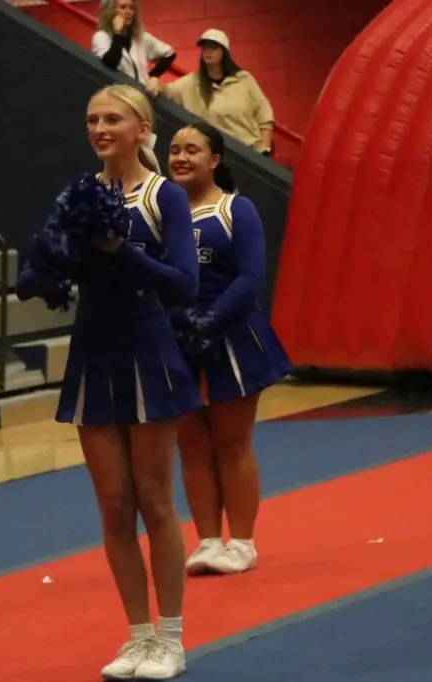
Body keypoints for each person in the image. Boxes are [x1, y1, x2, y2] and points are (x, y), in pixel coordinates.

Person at [16, 84, 200, 680]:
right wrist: (45, 268)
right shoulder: (79, 195)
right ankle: (138, 636)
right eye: (92, 119)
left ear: (142, 128)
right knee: (114, 505)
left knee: (155, 500)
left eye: (112, 119)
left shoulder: (164, 196)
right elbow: (45, 270)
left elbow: (185, 284)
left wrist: (122, 251)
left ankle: (171, 638)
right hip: (94, 354)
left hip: (148, 350)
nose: (99, 128)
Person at [166, 122, 292, 575]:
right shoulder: (161, 213)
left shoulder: (236, 209)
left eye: (192, 150)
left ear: (215, 159)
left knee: (231, 442)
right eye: (174, 150)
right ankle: (206, 541)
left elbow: (251, 276)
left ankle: (241, 542)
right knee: (191, 445)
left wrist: (212, 320)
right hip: (177, 338)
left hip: (231, 337)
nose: (181, 158)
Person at [153, 30, 274, 157]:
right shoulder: (192, 82)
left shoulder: (244, 79)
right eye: (205, 48)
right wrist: (155, 81)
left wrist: (264, 148)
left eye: (213, 47)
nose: (208, 51)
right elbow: (168, 91)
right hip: (216, 154)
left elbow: (264, 114)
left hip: (250, 152)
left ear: (224, 52)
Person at [92, 0, 176, 90]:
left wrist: (152, 76)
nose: (129, 12)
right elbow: (110, 63)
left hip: (141, 94)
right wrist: (118, 33)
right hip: (118, 93)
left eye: (131, 8)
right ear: (110, 11)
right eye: (123, 7)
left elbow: (169, 53)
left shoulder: (140, 37)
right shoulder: (101, 36)